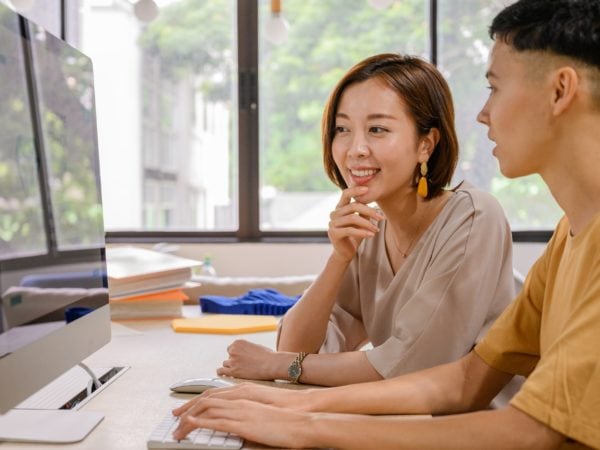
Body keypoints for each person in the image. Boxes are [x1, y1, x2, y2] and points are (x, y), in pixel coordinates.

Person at [171, 0, 600, 448]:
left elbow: (534, 431)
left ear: (560, 90)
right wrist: (295, 406)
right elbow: (466, 380)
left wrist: (304, 422)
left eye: (494, 88)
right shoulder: (568, 236)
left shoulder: (476, 216)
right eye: (343, 129)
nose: (482, 113)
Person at [216, 53, 515, 388]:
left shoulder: (474, 217)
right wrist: (338, 259)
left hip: (483, 426)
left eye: (377, 129)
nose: (355, 149)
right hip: (406, 421)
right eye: (342, 129)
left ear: (425, 145)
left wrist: (277, 366)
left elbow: (411, 366)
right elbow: (297, 348)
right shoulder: (371, 230)